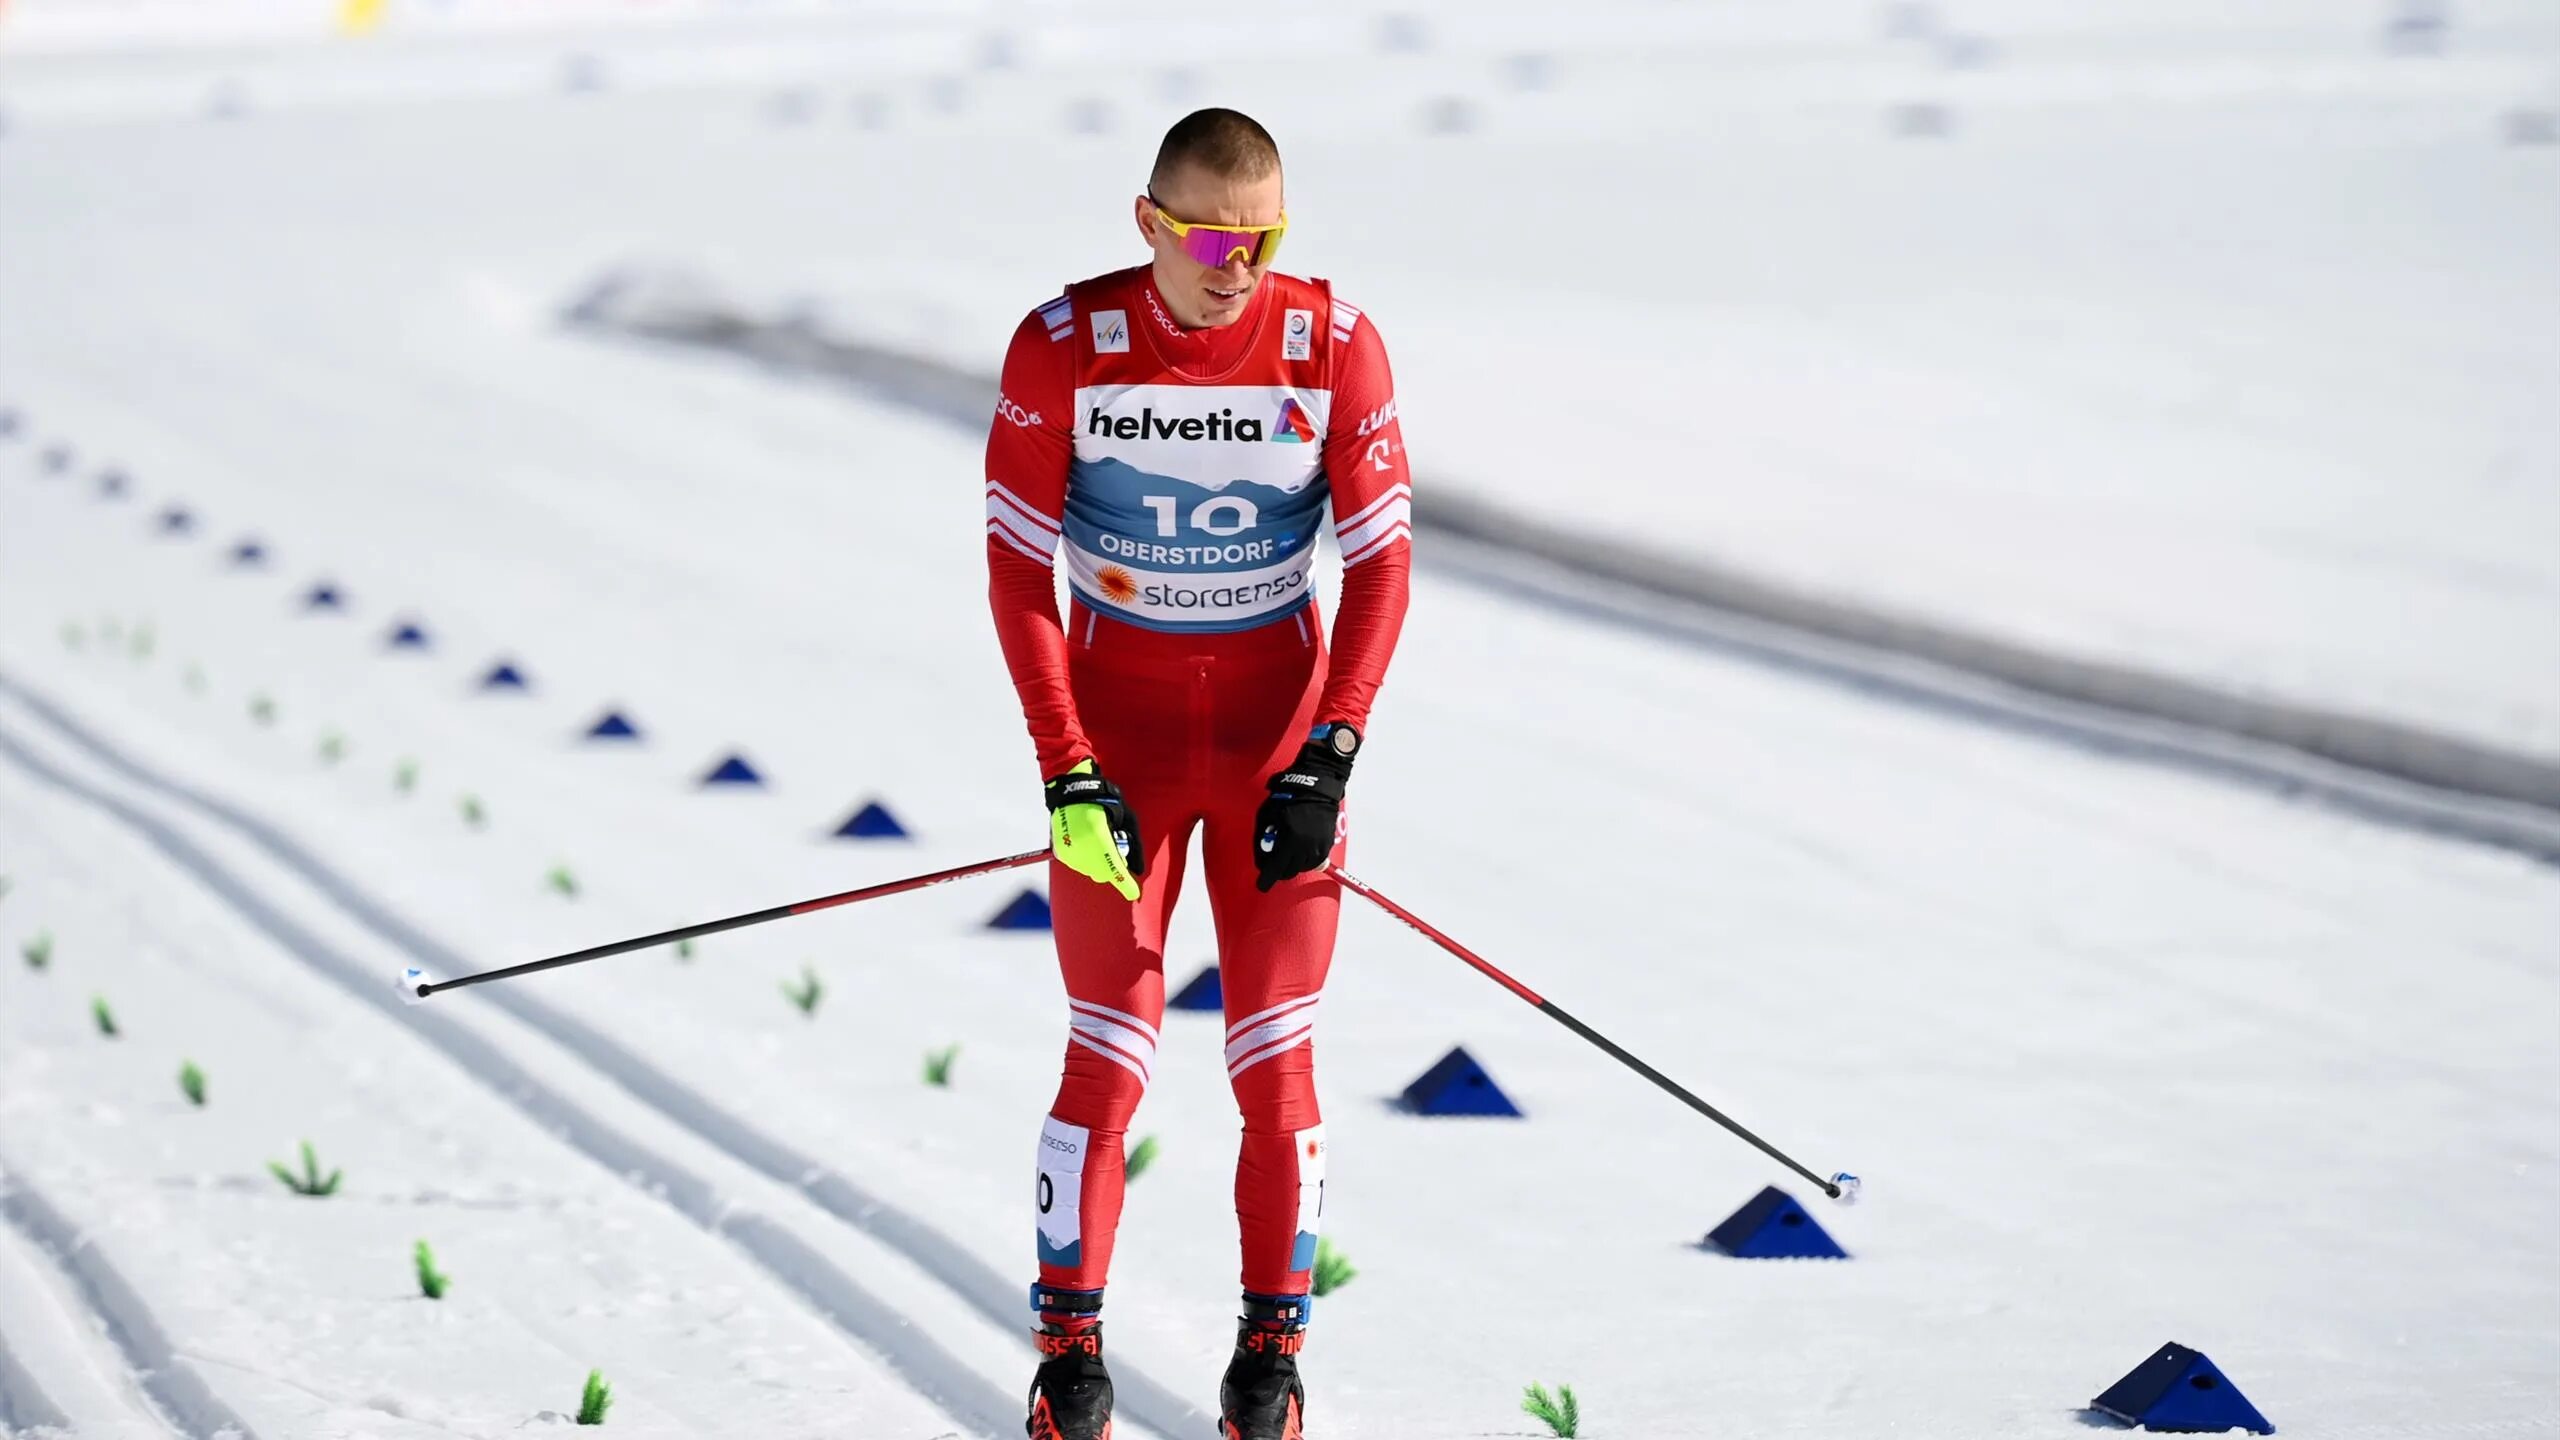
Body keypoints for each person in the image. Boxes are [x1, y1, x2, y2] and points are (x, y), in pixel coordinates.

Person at [983, 107, 1414, 1440]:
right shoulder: (1064, 351)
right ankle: (1069, 1361)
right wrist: (1067, 767)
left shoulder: (1331, 346)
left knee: (1276, 1063)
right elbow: (1017, 573)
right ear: (1150, 226)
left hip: (1277, 754)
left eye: (1266, 234)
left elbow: (1383, 568)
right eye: (1215, 237)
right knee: (1107, 1055)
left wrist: (1329, 755)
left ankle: (1270, 1368)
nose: (1241, 264)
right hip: (1120, 750)